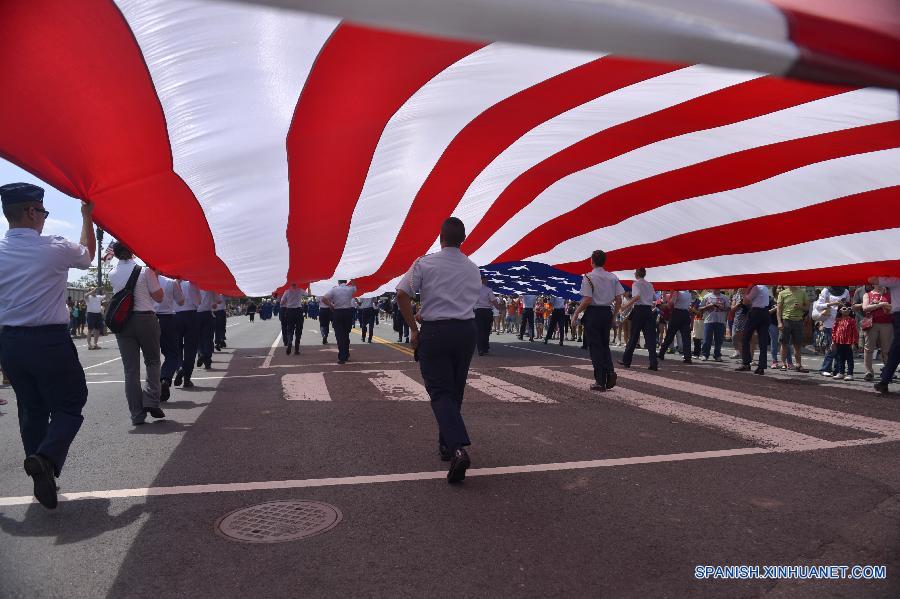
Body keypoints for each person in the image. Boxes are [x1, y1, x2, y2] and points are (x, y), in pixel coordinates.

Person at [0, 183, 95, 509]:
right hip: (49, 340)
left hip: (10, 343)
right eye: (43, 212)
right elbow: (87, 254)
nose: (44, 218)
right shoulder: (52, 247)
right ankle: (46, 456)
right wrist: (86, 217)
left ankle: (42, 472)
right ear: (30, 212)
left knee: (30, 407)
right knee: (70, 403)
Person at [397, 217, 481, 483]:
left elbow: (401, 293)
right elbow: (459, 299)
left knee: (440, 391)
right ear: (463, 239)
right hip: (465, 331)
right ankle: (446, 446)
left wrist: (413, 327)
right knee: (454, 390)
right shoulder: (473, 268)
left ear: (440, 237)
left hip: (436, 333)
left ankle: (457, 448)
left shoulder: (425, 262)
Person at [108, 242, 166, 425]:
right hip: (145, 318)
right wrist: (155, 277)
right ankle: (151, 400)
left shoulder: (112, 274)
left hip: (123, 322)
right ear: (132, 252)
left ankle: (136, 414)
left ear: (115, 255)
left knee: (131, 370)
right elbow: (159, 297)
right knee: (153, 360)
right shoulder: (144, 271)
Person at [571, 250, 624, 390]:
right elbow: (619, 299)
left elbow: (587, 299)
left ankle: (600, 381)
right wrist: (614, 315)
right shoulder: (613, 277)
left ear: (592, 261)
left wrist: (576, 313)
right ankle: (610, 372)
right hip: (607, 312)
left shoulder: (588, 277)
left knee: (595, 347)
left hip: (593, 313)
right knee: (604, 345)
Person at [619, 268, 658, 370]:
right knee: (650, 338)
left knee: (633, 336)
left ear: (637, 274)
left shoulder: (636, 284)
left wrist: (625, 306)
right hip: (648, 311)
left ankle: (627, 361)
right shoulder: (650, 284)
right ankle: (653, 363)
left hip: (639, 310)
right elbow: (654, 298)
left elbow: (637, 297)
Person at [154, 273, 185, 402]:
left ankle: (153, 390)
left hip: (149, 318)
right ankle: (165, 378)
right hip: (166, 318)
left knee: (151, 358)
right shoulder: (170, 282)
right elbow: (181, 301)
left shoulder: (142, 278)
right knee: (172, 354)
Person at [868, 276, 900, 395]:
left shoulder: (896, 280)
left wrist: (886, 272)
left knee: (895, 351)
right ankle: (884, 381)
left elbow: (871, 280)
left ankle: (884, 381)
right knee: (895, 351)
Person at [736, 284, 771, 375]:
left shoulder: (755, 287)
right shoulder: (765, 287)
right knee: (763, 341)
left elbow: (745, 302)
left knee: (746, 338)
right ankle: (761, 366)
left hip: (756, 312)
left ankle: (746, 363)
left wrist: (747, 290)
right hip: (765, 312)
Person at [173, 280, 202, 389]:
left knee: (177, 346)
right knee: (191, 348)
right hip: (191, 315)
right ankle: (187, 378)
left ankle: (179, 367)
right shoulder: (192, 283)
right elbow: (198, 301)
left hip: (175, 315)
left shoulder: (172, 282)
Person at [815, 286, 850, 376]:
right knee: (831, 347)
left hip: (842, 323)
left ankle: (837, 369)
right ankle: (825, 368)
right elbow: (818, 306)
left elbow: (848, 305)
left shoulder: (845, 291)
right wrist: (832, 304)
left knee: (840, 348)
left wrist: (844, 306)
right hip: (829, 323)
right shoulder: (826, 290)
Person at [861, 283, 892, 382]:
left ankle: (887, 372)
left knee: (886, 350)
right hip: (872, 323)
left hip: (886, 324)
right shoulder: (867, 294)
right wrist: (882, 304)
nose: (878, 283)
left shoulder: (889, 294)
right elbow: (865, 308)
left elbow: (892, 308)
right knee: (868, 348)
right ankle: (868, 371)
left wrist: (875, 305)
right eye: (876, 282)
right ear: (872, 284)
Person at [776, 285, 809, 372]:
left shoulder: (802, 293)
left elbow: (807, 307)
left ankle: (798, 364)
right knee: (784, 343)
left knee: (797, 345)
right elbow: (778, 309)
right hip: (786, 320)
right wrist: (779, 322)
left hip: (798, 321)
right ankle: (783, 364)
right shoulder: (782, 293)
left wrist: (800, 307)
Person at [323, 279, 356, 364]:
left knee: (339, 335)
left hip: (337, 312)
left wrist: (331, 305)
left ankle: (342, 357)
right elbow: (355, 285)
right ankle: (347, 353)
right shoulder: (350, 289)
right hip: (348, 312)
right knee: (346, 334)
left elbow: (324, 299)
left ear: (338, 282)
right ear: (346, 281)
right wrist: (352, 279)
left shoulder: (334, 289)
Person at [657, 290, 693, 364]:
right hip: (685, 314)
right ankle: (688, 357)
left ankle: (661, 353)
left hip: (677, 313)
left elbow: (671, 303)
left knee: (670, 335)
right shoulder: (688, 293)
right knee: (686, 337)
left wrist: (663, 305)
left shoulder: (677, 292)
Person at [829, 301, 858, 381]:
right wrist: (833, 342)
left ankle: (850, 374)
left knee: (849, 358)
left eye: (849, 309)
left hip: (848, 342)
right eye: (844, 308)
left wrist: (854, 343)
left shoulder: (852, 321)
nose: (847, 310)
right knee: (840, 358)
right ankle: (841, 372)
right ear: (840, 310)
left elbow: (855, 332)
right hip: (839, 342)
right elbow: (834, 331)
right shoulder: (838, 320)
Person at [698, 289, 729, 362]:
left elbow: (728, 308)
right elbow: (700, 308)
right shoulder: (706, 296)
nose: (716, 289)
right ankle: (705, 355)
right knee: (707, 339)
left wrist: (722, 308)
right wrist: (707, 307)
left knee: (719, 340)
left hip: (720, 321)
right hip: (708, 320)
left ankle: (717, 355)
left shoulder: (724, 297)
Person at [474, 275, 500, 356]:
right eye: (486, 279)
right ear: (483, 280)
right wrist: (498, 308)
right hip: (487, 311)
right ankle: (485, 348)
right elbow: (494, 301)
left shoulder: (474, 290)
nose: (487, 281)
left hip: (478, 311)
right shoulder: (488, 289)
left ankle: (480, 349)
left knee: (479, 330)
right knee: (486, 330)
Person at [195, 289, 217, 370]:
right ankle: (207, 360)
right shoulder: (210, 286)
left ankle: (201, 353)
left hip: (196, 313)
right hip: (207, 313)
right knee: (207, 338)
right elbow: (216, 303)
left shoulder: (192, 284)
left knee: (197, 337)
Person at [281, 283, 305, 354]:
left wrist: (288, 301)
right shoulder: (300, 290)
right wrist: (309, 286)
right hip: (298, 311)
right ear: (296, 284)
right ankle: (296, 349)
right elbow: (308, 294)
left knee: (290, 329)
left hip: (290, 311)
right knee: (299, 330)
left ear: (290, 284)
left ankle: (289, 341)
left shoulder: (287, 291)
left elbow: (282, 303)